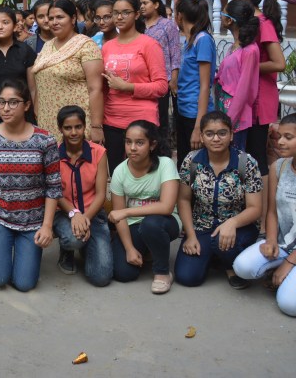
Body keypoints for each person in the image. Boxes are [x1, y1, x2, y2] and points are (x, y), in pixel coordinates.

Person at [0, 80, 60, 291]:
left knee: (24, 284)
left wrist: (47, 225)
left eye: (13, 102)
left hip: (32, 219)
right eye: (2, 102)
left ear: (26, 105)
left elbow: (53, 187)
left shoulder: (45, 140)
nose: (5, 108)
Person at [174, 111, 263, 288]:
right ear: (202, 136)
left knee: (222, 243)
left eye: (222, 133)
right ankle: (213, 255)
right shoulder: (192, 161)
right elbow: (183, 199)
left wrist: (232, 223)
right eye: (209, 134)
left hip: (239, 226)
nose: (216, 138)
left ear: (231, 135)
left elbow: (255, 208)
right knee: (187, 277)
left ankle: (229, 264)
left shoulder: (246, 162)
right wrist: (190, 235)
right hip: (202, 225)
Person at [232, 0, 285, 227]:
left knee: (257, 158)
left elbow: (279, 63)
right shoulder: (248, 22)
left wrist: (247, 65)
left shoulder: (263, 23)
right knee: (247, 157)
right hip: (247, 100)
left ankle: (263, 220)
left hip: (259, 101)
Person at [234, 113, 296, 316]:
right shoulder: (280, 166)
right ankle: (282, 271)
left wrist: (289, 263)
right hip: (284, 243)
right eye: (279, 136)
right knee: (242, 267)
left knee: (289, 305)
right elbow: (271, 212)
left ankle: (287, 273)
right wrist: (270, 240)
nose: (280, 142)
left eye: (288, 137)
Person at [108, 120, 180, 294]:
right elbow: (119, 218)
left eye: (139, 143)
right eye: (128, 142)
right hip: (134, 224)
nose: (132, 148)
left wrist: (126, 211)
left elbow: (166, 207)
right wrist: (129, 249)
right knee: (123, 273)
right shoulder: (119, 171)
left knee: (151, 224)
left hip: (165, 222)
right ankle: (148, 249)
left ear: (152, 145)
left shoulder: (165, 164)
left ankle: (162, 272)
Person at [102, 0, 168, 173]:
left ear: (137, 14)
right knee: (117, 174)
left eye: (125, 12)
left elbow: (162, 86)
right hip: (112, 120)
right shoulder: (107, 47)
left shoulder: (149, 44)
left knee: (145, 175)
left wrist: (128, 87)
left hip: (142, 121)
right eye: (115, 13)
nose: (119, 17)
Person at [30, 0, 104, 144]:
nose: (54, 22)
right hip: (47, 122)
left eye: (60, 17)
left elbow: (95, 89)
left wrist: (96, 126)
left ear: (73, 18)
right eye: (51, 18)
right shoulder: (47, 46)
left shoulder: (86, 45)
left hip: (75, 124)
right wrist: (37, 113)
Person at [53, 106, 112, 286]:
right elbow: (55, 192)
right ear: (60, 129)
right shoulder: (53, 154)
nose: (73, 132)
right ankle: (67, 250)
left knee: (101, 277)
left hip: (93, 213)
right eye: (68, 128)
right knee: (73, 239)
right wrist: (74, 214)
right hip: (64, 213)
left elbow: (101, 194)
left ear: (84, 126)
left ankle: (87, 245)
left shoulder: (98, 152)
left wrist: (85, 218)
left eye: (78, 127)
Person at [174, 0, 216, 169]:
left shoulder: (203, 39)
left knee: (196, 166)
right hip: (184, 108)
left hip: (195, 113)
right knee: (184, 163)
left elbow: (205, 85)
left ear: (180, 15)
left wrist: (198, 127)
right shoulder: (189, 39)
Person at [0, 7, 37, 132]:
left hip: (22, 116)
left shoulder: (25, 50)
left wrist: (37, 114)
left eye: (5, 23)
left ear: (15, 26)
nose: (0, 27)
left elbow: (33, 89)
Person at [215, 0, 261, 150]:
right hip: (224, 110)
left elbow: (243, 90)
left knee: (234, 157)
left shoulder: (249, 50)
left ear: (230, 20)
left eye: (223, 13)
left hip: (236, 117)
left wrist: (229, 122)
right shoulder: (235, 46)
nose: (220, 16)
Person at [140, 0, 181, 144]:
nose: (142, 6)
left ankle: (163, 150)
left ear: (156, 4)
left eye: (145, 3)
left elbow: (175, 52)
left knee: (161, 117)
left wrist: (174, 79)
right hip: (143, 79)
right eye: (140, 4)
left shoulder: (167, 25)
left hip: (162, 79)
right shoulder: (138, 26)